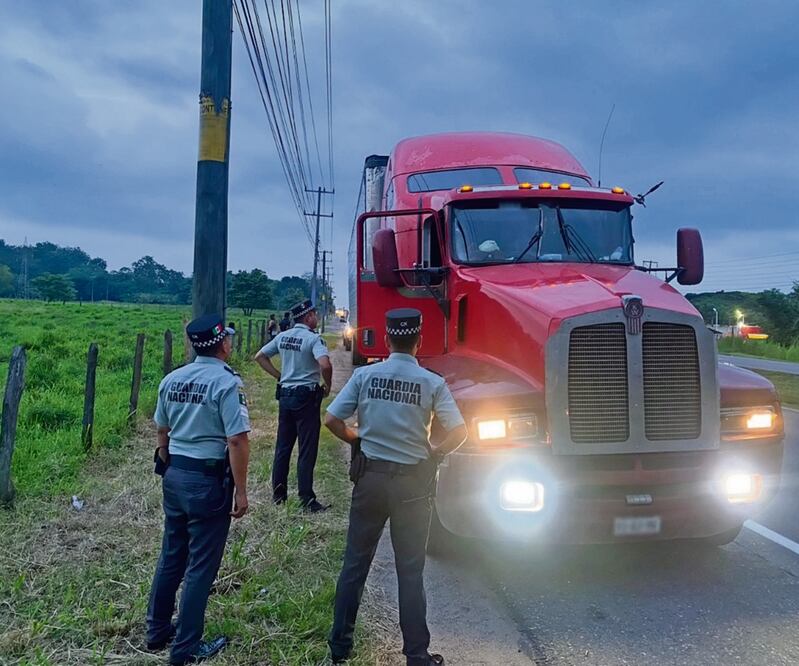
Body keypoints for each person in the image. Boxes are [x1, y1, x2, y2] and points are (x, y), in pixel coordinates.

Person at [325, 308, 467, 665]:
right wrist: (434, 454)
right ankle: (417, 654)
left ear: (387, 341)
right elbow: (459, 432)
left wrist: (356, 438)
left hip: (370, 481)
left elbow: (332, 419)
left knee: (355, 565)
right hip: (412, 486)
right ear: (418, 341)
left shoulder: (365, 375)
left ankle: (340, 647)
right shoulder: (432, 383)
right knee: (410, 570)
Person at [146, 314, 251, 666]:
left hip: (175, 474)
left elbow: (162, 429)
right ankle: (186, 648)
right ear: (223, 344)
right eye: (229, 340)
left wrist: (168, 461)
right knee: (200, 567)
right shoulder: (226, 383)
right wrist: (241, 490)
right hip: (207, 480)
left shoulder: (172, 378)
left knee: (172, 556)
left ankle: (157, 630)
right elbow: (236, 439)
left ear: (193, 344)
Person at [255, 299, 332, 511]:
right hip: (306, 397)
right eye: (315, 314)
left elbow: (260, 357)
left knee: (283, 447)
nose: (316, 317)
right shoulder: (314, 339)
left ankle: (279, 495)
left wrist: (280, 376)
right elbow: (325, 364)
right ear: (308, 317)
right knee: (307, 449)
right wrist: (327, 385)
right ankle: (306, 499)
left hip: (286, 396)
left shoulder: (282, 336)